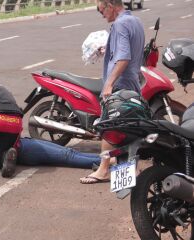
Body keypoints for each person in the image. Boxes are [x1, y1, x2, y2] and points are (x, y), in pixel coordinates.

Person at [80, 0, 145, 183]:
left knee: (109, 126)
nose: (103, 16)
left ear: (110, 5)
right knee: (129, 126)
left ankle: (103, 170)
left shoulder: (119, 24)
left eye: (102, 11)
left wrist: (109, 84)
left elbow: (124, 57)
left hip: (120, 84)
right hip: (132, 83)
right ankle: (133, 168)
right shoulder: (136, 22)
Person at [0, 137, 101, 169]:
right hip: (26, 149)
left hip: (27, 144)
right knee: (68, 155)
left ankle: (106, 159)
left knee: (69, 152)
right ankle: (109, 161)